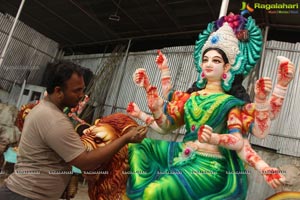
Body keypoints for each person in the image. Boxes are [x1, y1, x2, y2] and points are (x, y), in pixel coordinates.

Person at [125, 14, 294, 199]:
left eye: (216, 60)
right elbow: (166, 127)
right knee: (137, 148)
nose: (208, 64)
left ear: (227, 67)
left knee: (154, 192)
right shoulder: (190, 97)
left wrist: (263, 167)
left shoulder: (230, 103)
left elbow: (240, 142)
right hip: (183, 152)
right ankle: (139, 194)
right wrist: (155, 108)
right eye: (205, 59)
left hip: (208, 165)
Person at [0, 61, 148, 200]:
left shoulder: (43, 109)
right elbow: (86, 162)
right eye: (77, 90)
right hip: (26, 195)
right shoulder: (54, 119)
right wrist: (125, 139)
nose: (82, 95)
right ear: (58, 91)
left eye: (83, 89)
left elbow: (59, 156)